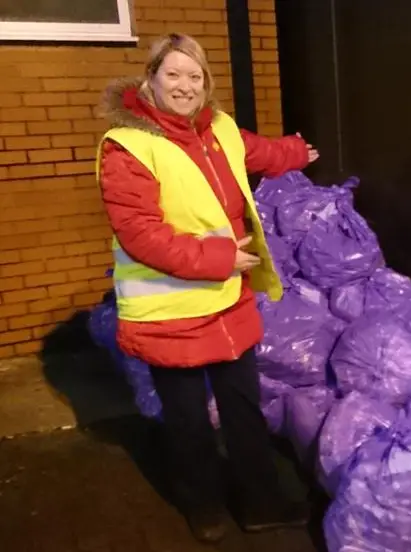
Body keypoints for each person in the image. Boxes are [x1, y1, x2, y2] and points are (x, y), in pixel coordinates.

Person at [96, 33, 318, 544]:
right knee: (188, 419)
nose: (185, 86)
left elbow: (257, 151)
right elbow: (141, 234)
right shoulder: (127, 146)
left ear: (206, 83)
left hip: (227, 302)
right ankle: (203, 507)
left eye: (195, 76)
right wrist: (221, 259)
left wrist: (295, 152)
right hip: (171, 310)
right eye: (173, 74)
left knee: (243, 411)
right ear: (151, 78)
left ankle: (261, 504)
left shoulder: (218, 129)